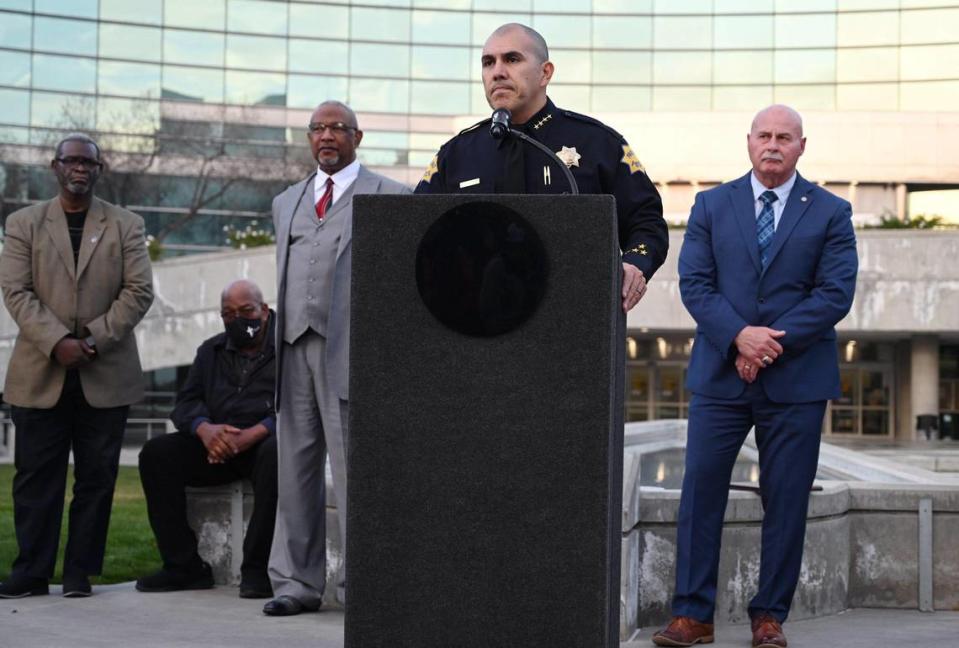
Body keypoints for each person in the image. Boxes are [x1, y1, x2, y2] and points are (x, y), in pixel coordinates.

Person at [652, 105, 858, 648]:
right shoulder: (711, 205)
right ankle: (692, 616)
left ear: (801, 147)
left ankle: (769, 617)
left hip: (797, 382)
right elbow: (695, 284)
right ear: (748, 142)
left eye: (784, 137)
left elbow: (834, 294)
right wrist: (740, 336)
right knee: (700, 493)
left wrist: (765, 346)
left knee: (787, 499)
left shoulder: (832, 211)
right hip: (721, 378)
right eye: (764, 135)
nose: (773, 144)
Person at [264, 100, 412, 616]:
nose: (327, 136)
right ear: (309, 138)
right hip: (293, 352)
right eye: (318, 129)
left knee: (355, 475)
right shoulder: (287, 201)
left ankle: (361, 586)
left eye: (337, 129)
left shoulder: (391, 196)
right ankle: (295, 584)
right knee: (295, 472)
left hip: (350, 353)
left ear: (357, 136)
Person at [415, 23, 668, 311]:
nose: (497, 71)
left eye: (512, 59)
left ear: (545, 72)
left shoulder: (598, 143)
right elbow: (415, 234)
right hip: (475, 323)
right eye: (488, 62)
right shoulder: (457, 154)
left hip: (573, 318)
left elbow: (646, 222)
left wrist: (634, 264)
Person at [0, 133, 154, 598]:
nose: (80, 168)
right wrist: (58, 342)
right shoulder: (23, 223)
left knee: (97, 479)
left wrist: (90, 340)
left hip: (104, 372)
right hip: (40, 372)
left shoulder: (126, 223)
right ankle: (31, 572)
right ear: (56, 166)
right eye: (71, 161)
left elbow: (139, 291)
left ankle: (78, 574)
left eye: (88, 162)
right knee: (35, 479)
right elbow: (16, 291)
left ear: (99, 168)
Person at [136, 279, 278, 599]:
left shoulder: (289, 348)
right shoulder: (210, 350)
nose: (238, 319)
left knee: (277, 454)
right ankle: (183, 567)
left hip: (262, 443)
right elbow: (185, 403)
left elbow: (301, 406)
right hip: (217, 445)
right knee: (157, 454)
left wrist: (254, 434)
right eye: (228, 313)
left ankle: (257, 569)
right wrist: (206, 431)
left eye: (246, 310)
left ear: (264, 311)